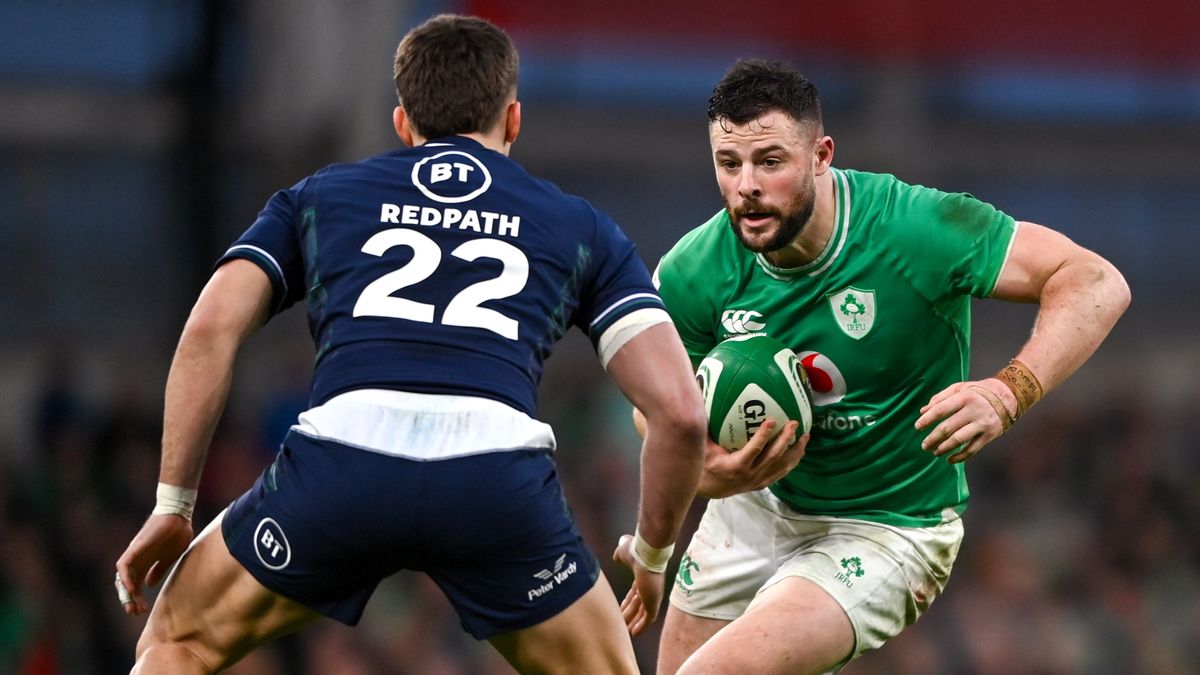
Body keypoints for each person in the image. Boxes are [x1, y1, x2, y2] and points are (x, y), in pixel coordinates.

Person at [113, 14, 706, 674]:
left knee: (179, 643)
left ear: (403, 124)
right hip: (494, 480)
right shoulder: (580, 226)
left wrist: (173, 504)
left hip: (341, 464)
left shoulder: (321, 196)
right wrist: (652, 559)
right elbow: (680, 412)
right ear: (513, 120)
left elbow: (209, 329)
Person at [638, 59, 1130, 674]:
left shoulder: (915, 228)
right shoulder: (694, 270)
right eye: (728, 164)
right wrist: (704, 468)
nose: (746, 187)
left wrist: (1009, 392)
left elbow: (1095, 281)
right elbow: (655, 404)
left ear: (821, 155)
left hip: (887, 527)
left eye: (770, 161)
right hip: (756, 508)